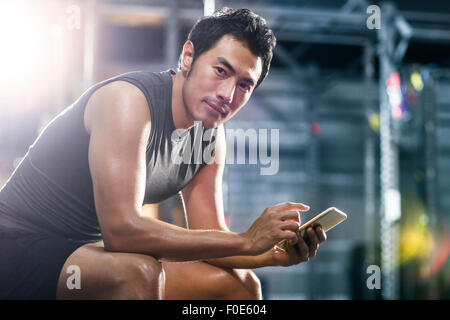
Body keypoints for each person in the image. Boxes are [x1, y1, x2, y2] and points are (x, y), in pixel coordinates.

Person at [0, 7, 327, 300]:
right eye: (221, 71)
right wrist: (246, 240)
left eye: (244, 85)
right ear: (188, 56)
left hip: (84, 253)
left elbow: (208, 239)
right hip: (16, 249)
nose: (228, 94)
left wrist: (271, 254)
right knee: (136, 273)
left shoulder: (209, 136)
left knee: (241, 287)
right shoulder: (128, 101)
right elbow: (122, 232)